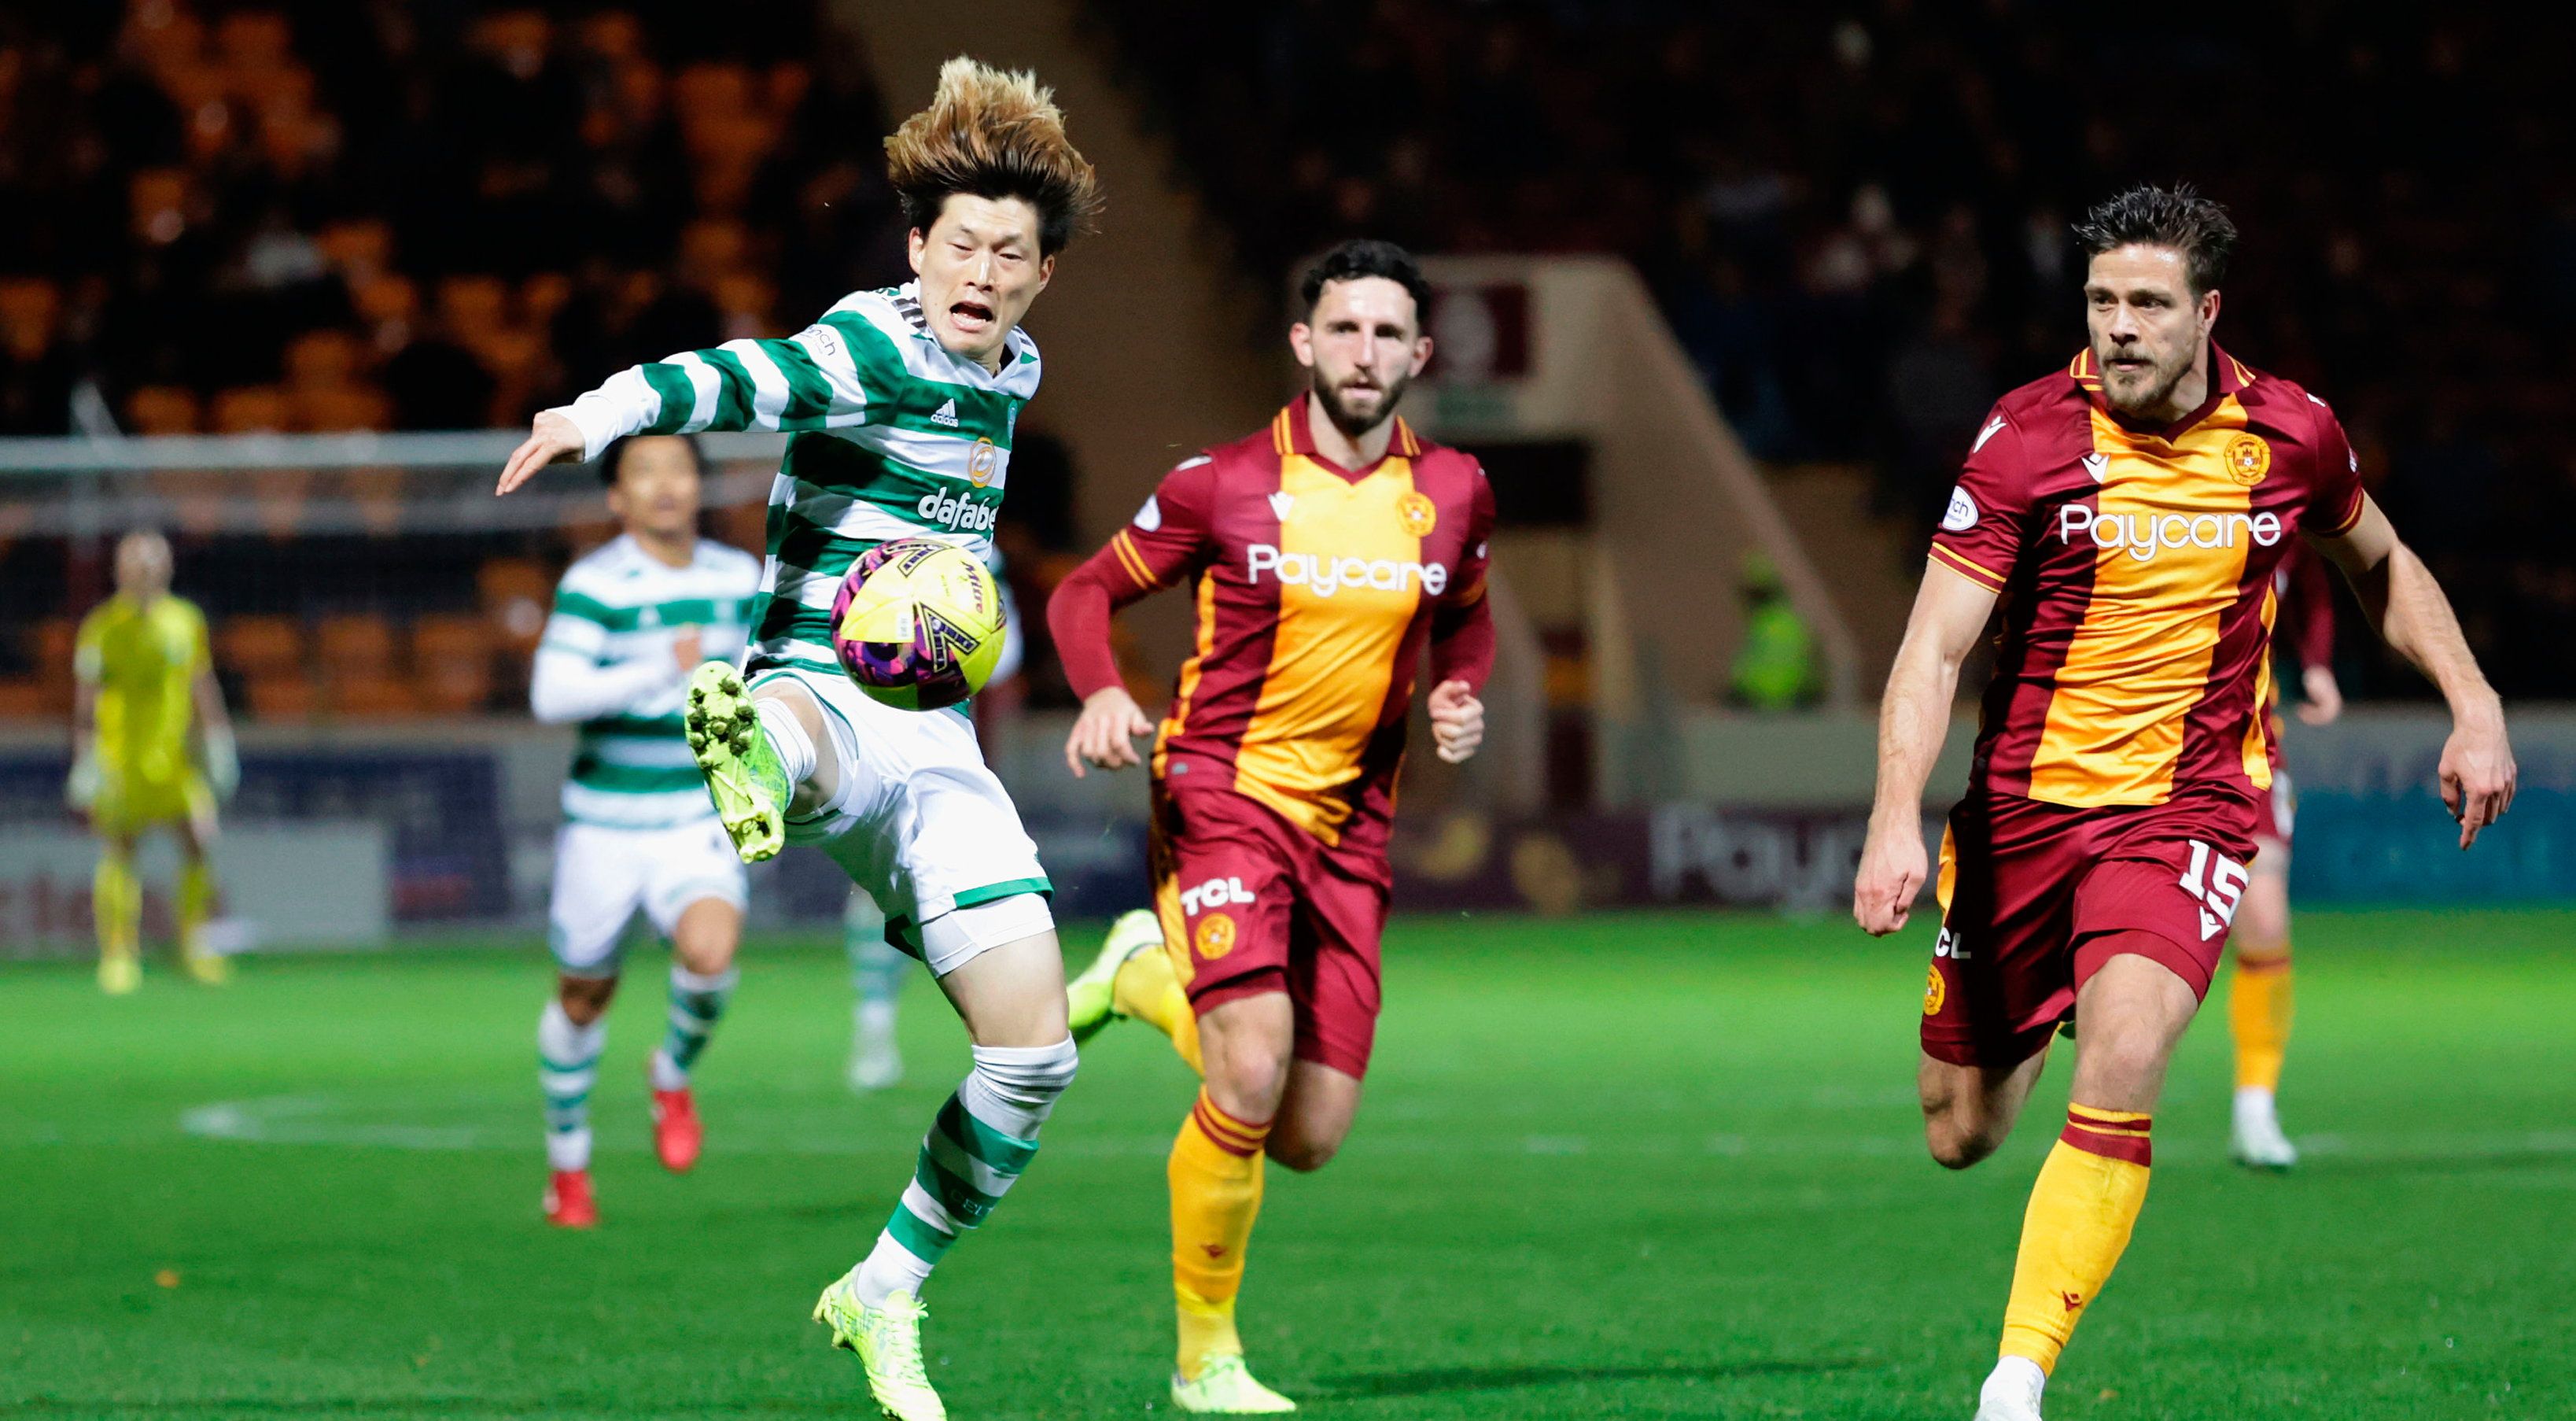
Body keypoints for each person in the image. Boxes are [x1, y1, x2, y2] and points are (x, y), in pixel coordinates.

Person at [495, 58, 1100, 1421]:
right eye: (961, 247)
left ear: (1039, 279)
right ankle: (756, 748)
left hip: (938, 737)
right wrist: (599, 414)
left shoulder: (1019, 365)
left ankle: (883, 1287)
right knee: (800, 726)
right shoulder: (872, 340)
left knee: (1035, 1050)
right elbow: (743, 375)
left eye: (1011, 253)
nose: (983, 273)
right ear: (916, 249)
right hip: (823, 677)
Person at [1850, 184, 2516, 1421]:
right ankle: (2046, 994)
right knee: (1959, 1129)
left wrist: (2469, 700)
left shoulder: (2289, 435)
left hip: (2184, 815)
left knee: (2124, 1055)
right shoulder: (2022, 439)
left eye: (2146, 303)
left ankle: (2012, 1383)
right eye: (2100, 301)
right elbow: (1932, 648)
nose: (2117, 326)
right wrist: (1895, 812)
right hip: (2018, 822)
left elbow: (2377, 561)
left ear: (2205, 311)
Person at [1048, 238, 1494, 1413]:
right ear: (1302, 343)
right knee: (1248, 1066)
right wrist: (1100, 686)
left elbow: (1472, 617)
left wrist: (1459, 691)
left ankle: (1145, 975)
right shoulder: (1223, 481)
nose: (1364, 352)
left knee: (1304, 1130)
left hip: (1350, 831)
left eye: (1386, 333)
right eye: (1342, 329)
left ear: (1418, 353)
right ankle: (1206, 1359)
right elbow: (1081, 589)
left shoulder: (1452, 489)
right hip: (1219, 796)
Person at [527, 434, 760, 1228]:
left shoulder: (739, 581)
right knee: (584, 997)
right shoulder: (597, 585)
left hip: (697, 812)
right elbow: (552, 695)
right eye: (644, 472)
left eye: (679, 469)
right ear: (616, 499)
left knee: (711, 952)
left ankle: (670, 1072)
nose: (665, 485)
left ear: (699, 486)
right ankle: (568, 1171)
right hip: (603, 827)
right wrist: (662, 666)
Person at [846, 548, 1026, 1093]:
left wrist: (938, 626)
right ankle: (873, 1027)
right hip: (873, 732)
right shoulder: (867, 543)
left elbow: (1008, 649)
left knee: (983, 887)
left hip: (953, 748)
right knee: (876, 884)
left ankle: (1003, 1043)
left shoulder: (977, 548)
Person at [69, 530, 237, 994]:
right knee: (121, 849)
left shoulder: (186, 621)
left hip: (176, 762)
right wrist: (85, 758)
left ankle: (193, 946)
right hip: (122, 762)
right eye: (136, 566)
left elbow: (201, 684)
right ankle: (120, 955)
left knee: (199, 841)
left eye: (153, 565)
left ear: (167, 570)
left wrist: (220, 740)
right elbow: (86, 701)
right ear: (119, 571)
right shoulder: (101, 628)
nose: (145, 573)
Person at [2228, 543, 2340, 1168]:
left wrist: (2315, 662)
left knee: (2266, 923)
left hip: (2245, 740)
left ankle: (2254, 1108)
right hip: (2136, 737)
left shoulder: (2280, 478)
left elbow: (2314, 574)